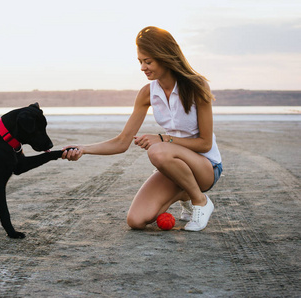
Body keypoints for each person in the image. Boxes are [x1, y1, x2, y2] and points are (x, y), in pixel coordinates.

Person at [62, 26, 223, 232]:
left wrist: (163, 139)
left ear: (165, 57)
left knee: (157, 150)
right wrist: (83, 148)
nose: (142, 67)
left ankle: (200, 201)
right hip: (173, 165)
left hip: (206, 167)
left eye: (148, 61)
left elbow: (205, 143)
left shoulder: (196, 86)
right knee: (136, 221)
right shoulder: (147, 93)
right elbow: (121, 142)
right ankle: (185, 194)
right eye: (140, 62)